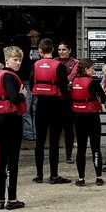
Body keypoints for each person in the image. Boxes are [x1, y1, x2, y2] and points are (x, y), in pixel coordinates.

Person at [0, 46, 28, 210]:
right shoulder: (9, 76)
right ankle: (12, 199)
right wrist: (22, 95)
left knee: (1, 158)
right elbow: (13, 98)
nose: (18, 63)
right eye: (15, 60)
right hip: (11, 118)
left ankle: (0, 199)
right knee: (12, 159)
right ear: (7, 60)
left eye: (20, 60)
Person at [31, 38, 71, 184]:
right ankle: (54, 175)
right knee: (54, 142)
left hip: (41, 106)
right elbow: (64, 87)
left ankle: (39, 175)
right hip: (56, 106)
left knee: (40, 141)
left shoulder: (35, 65)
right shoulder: (59, 66)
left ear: (40, 51)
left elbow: (31, 82)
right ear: (53, 50)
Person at [69, 58, 105, 187]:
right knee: (96, 147)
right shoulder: (93, 82)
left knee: (81, 148)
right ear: (86, 69)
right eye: (92, 68)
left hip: (78, 116)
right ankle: (98, 177)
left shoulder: (73, 81)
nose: (94, 71)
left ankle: (81, 179)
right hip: (92, 116)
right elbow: (103, 99)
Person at [58, 40, 78, 160]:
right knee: (56, 127)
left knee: (69, 128)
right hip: (56, 99)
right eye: (59, 49)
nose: (61, 52)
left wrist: (61, 81)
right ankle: (54, 155)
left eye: (64, 49)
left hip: (69, 99)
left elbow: (73, 76)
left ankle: (69, 155)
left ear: (69, 50)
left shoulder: (75, 62)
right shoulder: (54, 61)